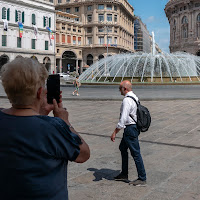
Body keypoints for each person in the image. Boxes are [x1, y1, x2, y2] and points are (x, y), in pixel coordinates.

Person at [0, 57, 90, 200]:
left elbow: (23, 125)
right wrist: (65, 121)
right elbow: (83, 154)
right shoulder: (54, 127)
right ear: (39, 92)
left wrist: (40, 113)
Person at [110, 80, 146, 186]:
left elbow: (123, 119)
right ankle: (124, 174)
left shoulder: (126, 100)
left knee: (136, 153)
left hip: (130, 129)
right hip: (133, 128)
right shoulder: (134, 96)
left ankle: (142, 178)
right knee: (122, 148)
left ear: (125, 89)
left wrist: (115, 132)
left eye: (120, 88)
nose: (119, 90)